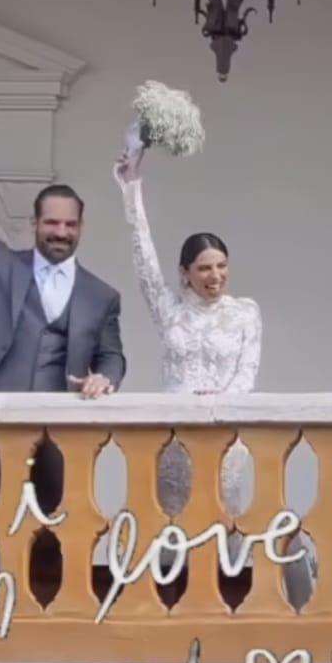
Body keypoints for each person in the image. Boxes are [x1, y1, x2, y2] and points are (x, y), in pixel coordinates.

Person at [0, 124, 126, 514]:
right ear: (34, 225)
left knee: (51, 533)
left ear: (81, 228)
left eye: (70, 225)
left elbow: (112, 356)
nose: (60, 232)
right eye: (52, 223)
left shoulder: (101, 296)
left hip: (58, 434)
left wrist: (105, 377)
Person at [113, 145, 260, 520]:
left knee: (221, 523)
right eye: (205, 268)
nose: (215, 276)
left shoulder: (245, 312)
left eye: (222, 266)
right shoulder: (169, 309)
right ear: (185, 273)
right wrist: (132, 188)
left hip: (225, 435)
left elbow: (247, 374)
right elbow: (144, 258)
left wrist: (220, 401)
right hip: (174, 438)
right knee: (173, 526)